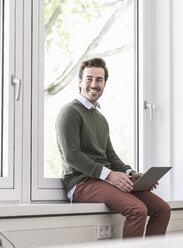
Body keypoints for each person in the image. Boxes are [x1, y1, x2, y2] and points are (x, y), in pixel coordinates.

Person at [55, 57, 171, 238]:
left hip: (103, 180)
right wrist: (109, 175)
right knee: (137, 210)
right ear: (79, 82)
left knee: (162, 209)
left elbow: (110, 156)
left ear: (104, 84)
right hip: (81, 183)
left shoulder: (100, 118)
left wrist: (131, 174)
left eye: (99, 80)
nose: (94, 84)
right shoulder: (70, 112)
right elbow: (72, 155)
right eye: (89, 78)